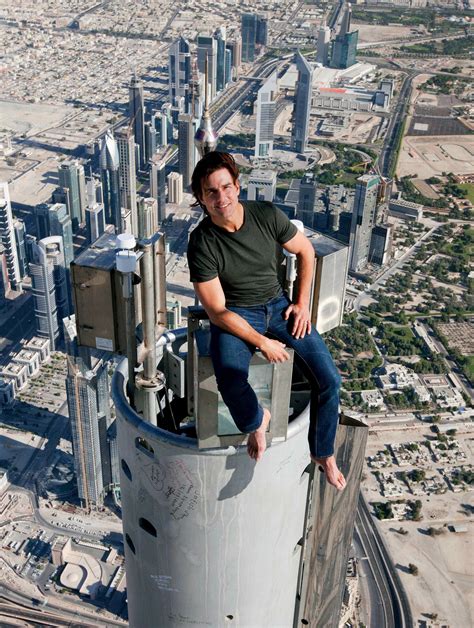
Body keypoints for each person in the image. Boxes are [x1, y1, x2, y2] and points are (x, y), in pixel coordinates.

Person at [187, 152, 346, 491]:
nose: (221, 198)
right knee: (230, 379)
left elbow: (305, 252)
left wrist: (301, 304)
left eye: (226, 187)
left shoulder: (266, 216)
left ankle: (323, 453)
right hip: (236, 314)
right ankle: (257, 420)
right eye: (211, 192)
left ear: (237, 187)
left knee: (330, 380)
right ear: (201, 198)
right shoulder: (202, 243)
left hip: (278, 306)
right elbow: (217, 311)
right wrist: (263, 343)